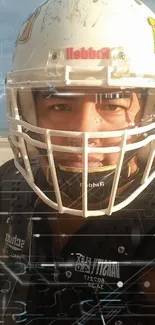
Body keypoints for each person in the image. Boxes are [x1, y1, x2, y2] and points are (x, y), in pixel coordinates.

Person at [1, 0, 155, 323]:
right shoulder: (7, 189)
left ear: (147, 113)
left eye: (113, 105)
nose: (84, 133)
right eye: (59, 106)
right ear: (30, 111)